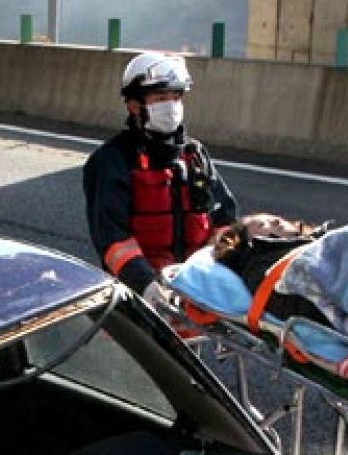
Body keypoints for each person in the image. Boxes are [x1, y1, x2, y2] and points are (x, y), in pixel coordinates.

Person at [83, 51, 237, 298]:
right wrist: (146, 284)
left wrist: (214, 262)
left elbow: (225, 219)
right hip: (139, 295)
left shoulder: (195, 155)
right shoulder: (112, 160)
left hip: (200, 290)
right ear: (134, 105)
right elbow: (113, 238)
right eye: (160, 97)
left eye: (176, 97)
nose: (171, 106)